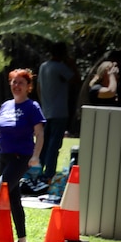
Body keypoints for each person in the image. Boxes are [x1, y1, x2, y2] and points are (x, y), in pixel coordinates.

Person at [0, 68, 45, 242]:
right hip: (4, 156)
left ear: (28, 87)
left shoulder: (32, 107)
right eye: (14, 82)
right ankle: (22, 241)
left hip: (21, 157)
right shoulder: (6, 106)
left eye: (21, 83)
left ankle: (1, 238)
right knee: (14, 199)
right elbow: (1, 130)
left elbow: (39, 133)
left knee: (1, 192)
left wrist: (35, 156)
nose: (16, 86)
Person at [37, 42, 80, 183]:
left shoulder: (43, 67)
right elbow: (76, 79)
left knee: (43, 144)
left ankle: (38, 171)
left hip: (45, 110)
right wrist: (72, 64)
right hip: (60, 112)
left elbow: (38, 88)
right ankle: (49, 174)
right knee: (54, 145)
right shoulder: (61, 68)